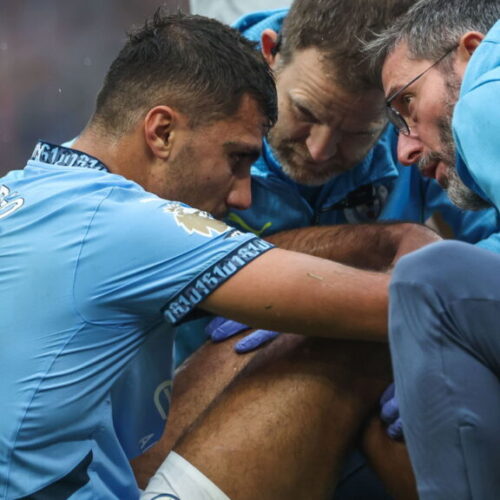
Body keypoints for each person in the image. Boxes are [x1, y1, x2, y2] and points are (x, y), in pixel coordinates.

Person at [364, 0, 500, 497]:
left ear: (469, 53)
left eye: (407, 103)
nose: (404, 150)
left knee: (429, 279)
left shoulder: (486, 91)